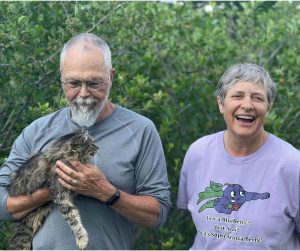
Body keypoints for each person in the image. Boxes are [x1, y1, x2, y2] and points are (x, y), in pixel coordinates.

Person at [0, 33, 171, 249]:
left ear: (111, 76)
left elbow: (158, 214)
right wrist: (52, 190)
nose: (83, 93)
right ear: (61, 77)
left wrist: (106, 192)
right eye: (73, 83)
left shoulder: (140, 130)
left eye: (93, 83)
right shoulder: (36, 130)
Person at [177, 63, 300, 249]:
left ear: (269, 107)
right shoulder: (198, 153)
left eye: (258, 98)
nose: (247, 105)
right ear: (221, 103)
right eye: (237, 96)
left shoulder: (292, 164)